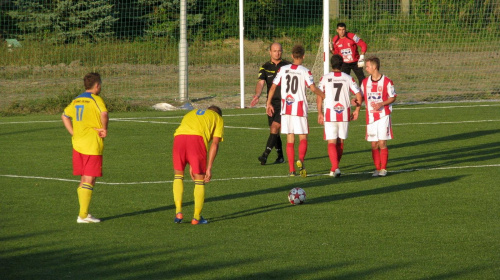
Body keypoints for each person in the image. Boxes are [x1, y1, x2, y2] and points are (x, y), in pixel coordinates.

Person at [266, 44, 325, 177]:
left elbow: (273, 87)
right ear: (303, 56)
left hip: (286, 108)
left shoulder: (283, 69)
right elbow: (313, 88)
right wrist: (324, 96)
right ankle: (301, 160)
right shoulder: (305, 71)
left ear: (292, 56)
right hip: (299, 109)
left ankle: (292, 170)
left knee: (290, 139)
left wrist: (268, 103)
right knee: (303, 137)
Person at [61, 72, 108, 223]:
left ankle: (83, 214)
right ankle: (82, 215)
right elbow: (104, 113)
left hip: (77, 143)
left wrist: (73, 132)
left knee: (84, 177)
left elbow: (64, 116)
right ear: (97, 85)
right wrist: (104, 128)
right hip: (91, 143)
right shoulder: (96, 99)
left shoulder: (76, 100)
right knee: (90, 177)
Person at [172, 106, 224, 225]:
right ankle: (196, 217)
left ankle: (178, 212)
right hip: (197, 140)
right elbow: (215, 144)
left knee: (178, 175)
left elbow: (188, 134)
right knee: (199, 180)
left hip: (178, 138)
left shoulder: (191, 113)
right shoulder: (217, 118)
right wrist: (208, 168)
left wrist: (191, 164)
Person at [317, 54, 362, 177]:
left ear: (331, 65)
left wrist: (320, 113)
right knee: (340, 140)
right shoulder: (348, 78)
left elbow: (320, 95)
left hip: (330, 113)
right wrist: (357, 110)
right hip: (344, 113)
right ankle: (335, 168)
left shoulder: (325, 78)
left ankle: (335, 167)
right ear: (342, 65)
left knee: (331, 141)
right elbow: (359, 95)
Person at [251, 42, 291, 165]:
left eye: (279, 50)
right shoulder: (265, 67)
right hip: (271, 103)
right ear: (270, 52)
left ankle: (265, 155)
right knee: (274, 131)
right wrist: (257, 95)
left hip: (285, 102)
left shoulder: (287, 66)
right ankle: (280, 157)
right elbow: (260, 83)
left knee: (275, 127)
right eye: (274, 51)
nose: (277, 53)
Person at [359, 56, 397, 177]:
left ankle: (383, 168)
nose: (366, 68)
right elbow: (361, 97)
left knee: (382, 143)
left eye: (368, 66)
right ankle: (377, 168)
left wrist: (381, 103)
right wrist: (357, 102)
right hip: (370, 117)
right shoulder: (365, 82)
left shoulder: (387, 81)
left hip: (383, 116)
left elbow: (393, 97)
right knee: (374, 144)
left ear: (374, 67)